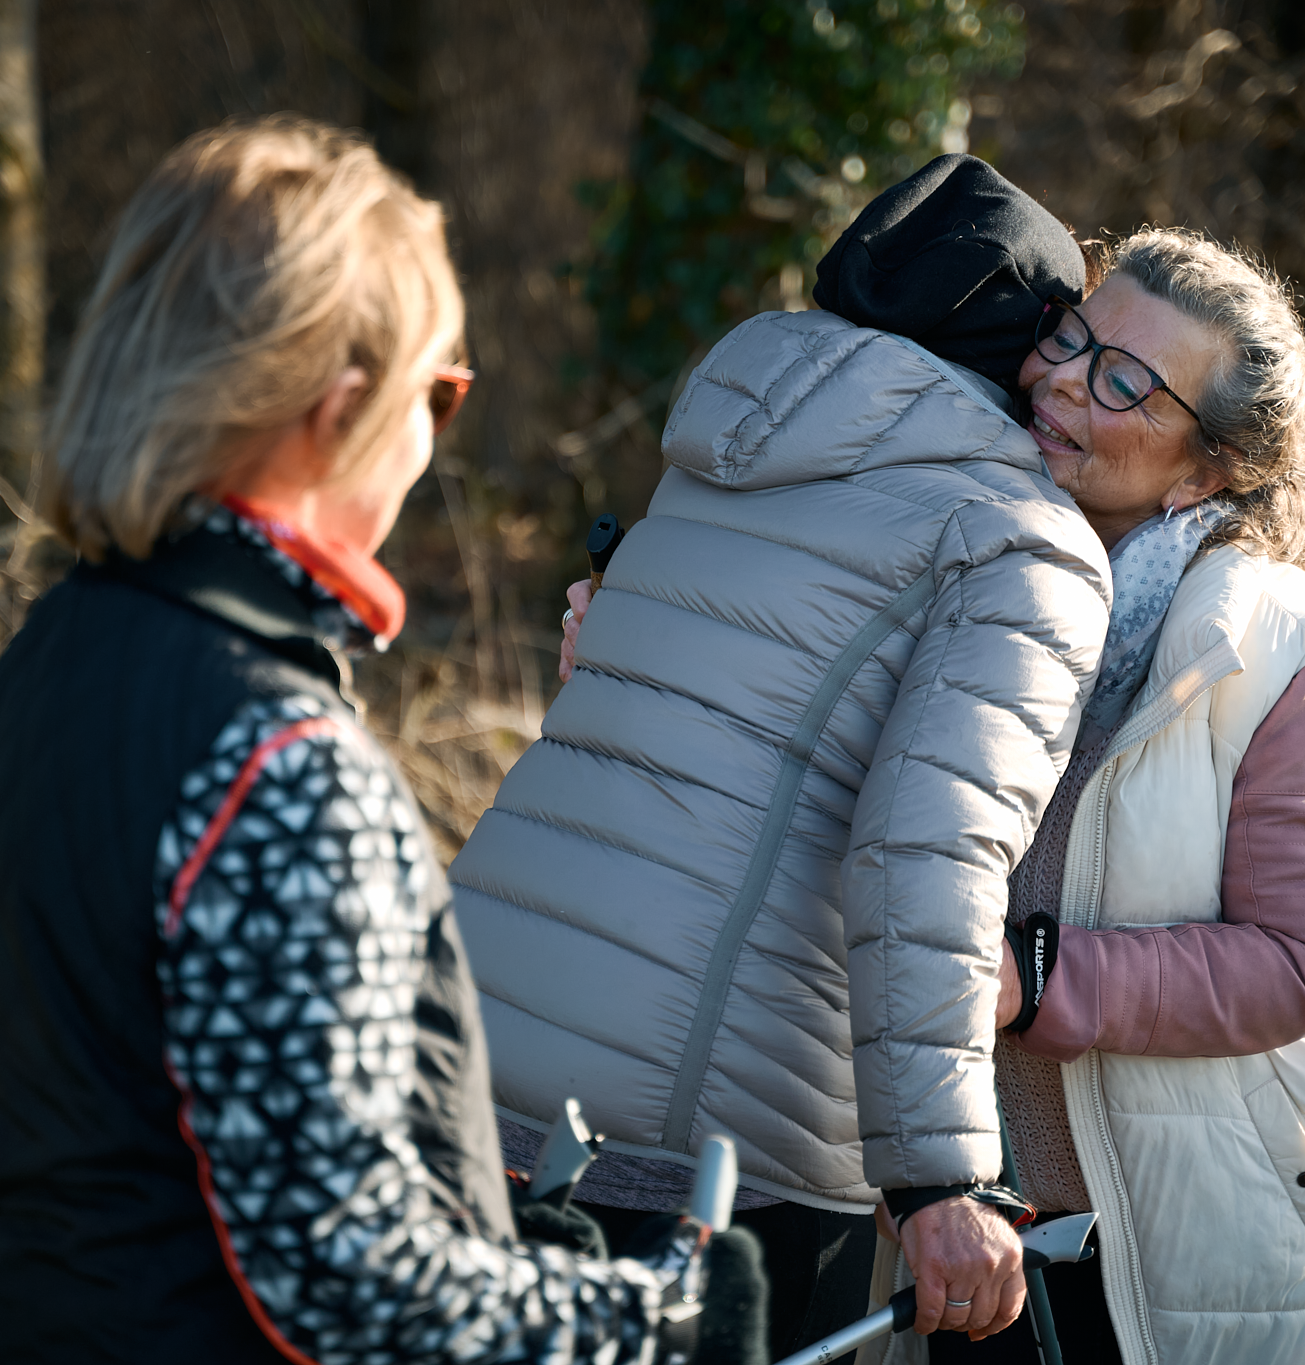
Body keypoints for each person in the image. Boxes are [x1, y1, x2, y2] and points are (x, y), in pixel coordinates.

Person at [0, 117, 763, 1365]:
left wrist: (489, 1244)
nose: (436, 439)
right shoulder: (280, 763)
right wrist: (647, 1322)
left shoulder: (50, 651)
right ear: (337, 409)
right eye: (439, 392)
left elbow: (159, 1143)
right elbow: (347, 1287)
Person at [448, 155, 1114, 1357]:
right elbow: (928, 857)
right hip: (701, 1123)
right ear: (1020, 342)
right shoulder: (1017, 541)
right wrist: (938, 1179)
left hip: (476, 1028)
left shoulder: (720, 454)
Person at [897, 228, 1305, 1363]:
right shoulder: (958, 577)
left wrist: (1030, 977)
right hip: (977, 1232)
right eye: (1071, 337)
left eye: (1123, 384)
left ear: (1209, 471)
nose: (1055, 380)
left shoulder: (1276, 646)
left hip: (1213, 1227)